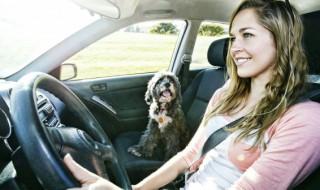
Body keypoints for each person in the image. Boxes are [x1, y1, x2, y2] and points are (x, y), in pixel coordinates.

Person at [63, 0, 320, 189]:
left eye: (248, 35)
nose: (234, 48)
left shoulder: (306, 120)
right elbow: (187, 156)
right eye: (232, 37)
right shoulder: (225, 94)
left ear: (282, 41)